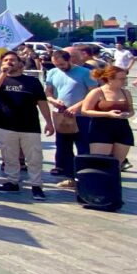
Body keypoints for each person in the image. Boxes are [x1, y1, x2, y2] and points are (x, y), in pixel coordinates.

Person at [0, 51, 54, 199]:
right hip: (6, 125)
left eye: (12, 60)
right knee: (9, 156)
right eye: (6, 60)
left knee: (34, 157)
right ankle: (12, 182)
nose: (9, 62)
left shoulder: (32, 82)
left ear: (20, 63)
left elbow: (42, 103)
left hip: (29, 126)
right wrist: (3, 74)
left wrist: (49, 122)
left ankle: (36, 185)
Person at [43, 49, 98, 182]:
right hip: (62, 115)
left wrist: (77, 106)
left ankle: (84, 175)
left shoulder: (85, 73)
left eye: (62, 64)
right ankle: (69, 175)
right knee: (63, 146)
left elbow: (93, 94)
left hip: (81, 116)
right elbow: (48, 93)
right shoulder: (52, 72)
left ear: (69, 60)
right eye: (56, 65)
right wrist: (53, 100)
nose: (60, 68)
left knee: (83, 146)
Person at [80, 66, 135, 167]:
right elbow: (85, 111)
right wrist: (108, 114)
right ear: (110, 79)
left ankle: (114, 182)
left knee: (117, 163)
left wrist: (128, 114)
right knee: (100, 163)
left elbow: (131, 110)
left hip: (122, 128)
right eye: (121, 79)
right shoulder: (97, 92)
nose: (125, 81)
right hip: (101, 128)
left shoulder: (126, 92)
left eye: (125, 78)